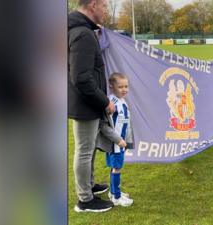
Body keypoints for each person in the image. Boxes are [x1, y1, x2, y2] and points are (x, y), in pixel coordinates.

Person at [68, 0, 116, 213]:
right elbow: (81, 78)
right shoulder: (83, 34)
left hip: (86, 102)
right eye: (105, 6)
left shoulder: (81, 30)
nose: (106, 11)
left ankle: (90, 185)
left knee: (89, 148)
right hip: (85, 103)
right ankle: (85, 200)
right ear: (93, 5)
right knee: (85, 151)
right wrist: (104, 100)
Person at [96, 73, 134, 207]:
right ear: (112, 87)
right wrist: (118, 140)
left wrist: (127, 141)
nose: (124, 89)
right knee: (117, 168)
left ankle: (113, 192)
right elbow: (104, 125)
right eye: (120, 87)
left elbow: (125, 123)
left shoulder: (123, 101)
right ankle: (116, 197)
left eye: (126, 86)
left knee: (115, 167)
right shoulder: (112, 103)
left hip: (121, 143)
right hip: (115, 144)